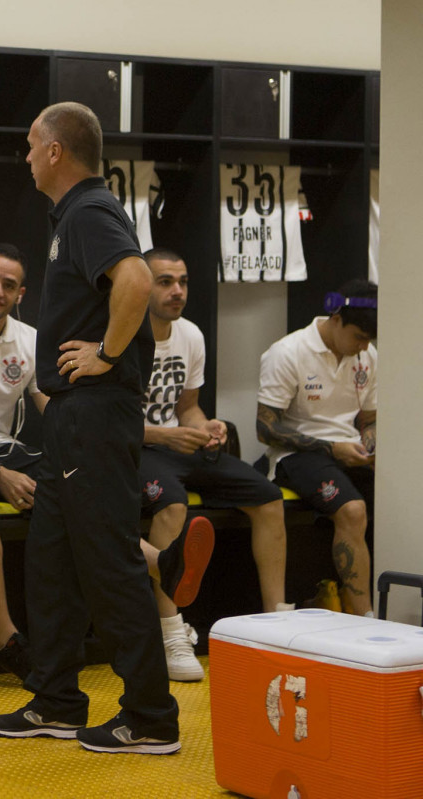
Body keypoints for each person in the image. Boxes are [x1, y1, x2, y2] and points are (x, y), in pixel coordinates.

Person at [0, 244, 214, 685]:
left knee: (76, 488)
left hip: (5, 450)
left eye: (8, 285)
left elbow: (52, 406)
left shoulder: (27, 338)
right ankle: (8, 641)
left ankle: (164, 564)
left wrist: (87, 460)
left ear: (21, 293)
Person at [0, 102, 180, 755]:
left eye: (31, 143)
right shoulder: (72, 216)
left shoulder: (91, 211)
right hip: (71, 417)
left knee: (109, 562)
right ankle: (58, 699)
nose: (25, 154)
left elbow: (136, 278)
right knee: (53, 561)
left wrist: (106, 351)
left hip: (95, 411)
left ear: (55, 152)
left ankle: (151, 714)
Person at [139, 247, 290, 682]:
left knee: (268, 496)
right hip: (136, 450)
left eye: (183, 282)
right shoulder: (124, 336)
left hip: (179, 444)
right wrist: (168, 435)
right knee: (172, 505)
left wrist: (208, 427)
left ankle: (275, 622)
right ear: (144, 285)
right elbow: (108, 425)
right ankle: (170, 633)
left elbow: (188, 407)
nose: (177, 291)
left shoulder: (191, 335)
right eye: (166, 281)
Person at [256, 279, 378, 616]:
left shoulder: (368, 355)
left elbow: (369, 419)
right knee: (353, 509)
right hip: (296, 455)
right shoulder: (288, 352)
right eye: (358, 337)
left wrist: (371, 447)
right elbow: (265, 429)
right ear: (336, 319)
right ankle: (363, 619)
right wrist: (331, 448)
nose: (363, 346)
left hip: (348, 450)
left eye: (369, 340)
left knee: (396, 501)